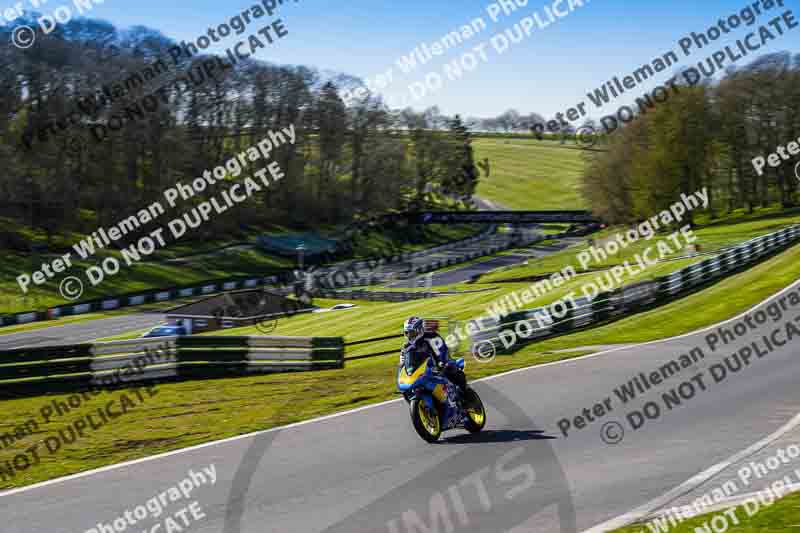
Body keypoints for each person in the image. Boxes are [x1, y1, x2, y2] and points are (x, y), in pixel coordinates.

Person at [400, 316, 468, 401]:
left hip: (440, 363)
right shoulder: (406, 347)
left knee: (450, 369)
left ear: (419, 330)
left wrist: (441, 363)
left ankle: (465, 395)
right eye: (407, 333)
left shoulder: (432, 337)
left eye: (412, 333)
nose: (409, 336)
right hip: (423, 372)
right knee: (407, 388)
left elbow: (442, 351)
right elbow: (402, 363)